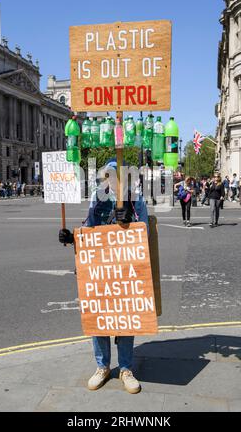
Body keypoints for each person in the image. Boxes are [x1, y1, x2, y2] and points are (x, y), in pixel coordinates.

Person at [59, 158, 149, 394]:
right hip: (99, 267)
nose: (114, 179)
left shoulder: (136, 200)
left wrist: (128, 222)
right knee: (99, 318)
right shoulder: (96, 199)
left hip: (125, 267)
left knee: (125, 319)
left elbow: (145, 233)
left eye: (118, 174)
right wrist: (72, 238)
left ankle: (126, 368)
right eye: (109, 174)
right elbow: (89, 230)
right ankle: (102, 366)